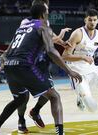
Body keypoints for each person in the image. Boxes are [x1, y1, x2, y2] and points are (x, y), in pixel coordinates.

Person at [0, 2, 82, 135]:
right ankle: (60, 133)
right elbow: (51, 51)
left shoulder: (22, 27)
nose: (48, 14)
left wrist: (1, 65)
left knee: (19, 99)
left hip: (10, 65)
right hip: (25, 65)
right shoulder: (42, 26)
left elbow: (7, 52)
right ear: (43, 14)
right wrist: (69, 71)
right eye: (47, 12)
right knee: (54, 96)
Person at [14, 0, 72, 133]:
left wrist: (62, 42)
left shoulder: (45, 22)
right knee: (24, 96)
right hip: (27, 62)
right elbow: (49, 39)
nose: (47, 10)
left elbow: (50, 38)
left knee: (49, 90)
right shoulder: (26, 22)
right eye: (45, 7)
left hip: (40, 62)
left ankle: (35, 111)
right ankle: (21, 120)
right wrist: (60, 38)